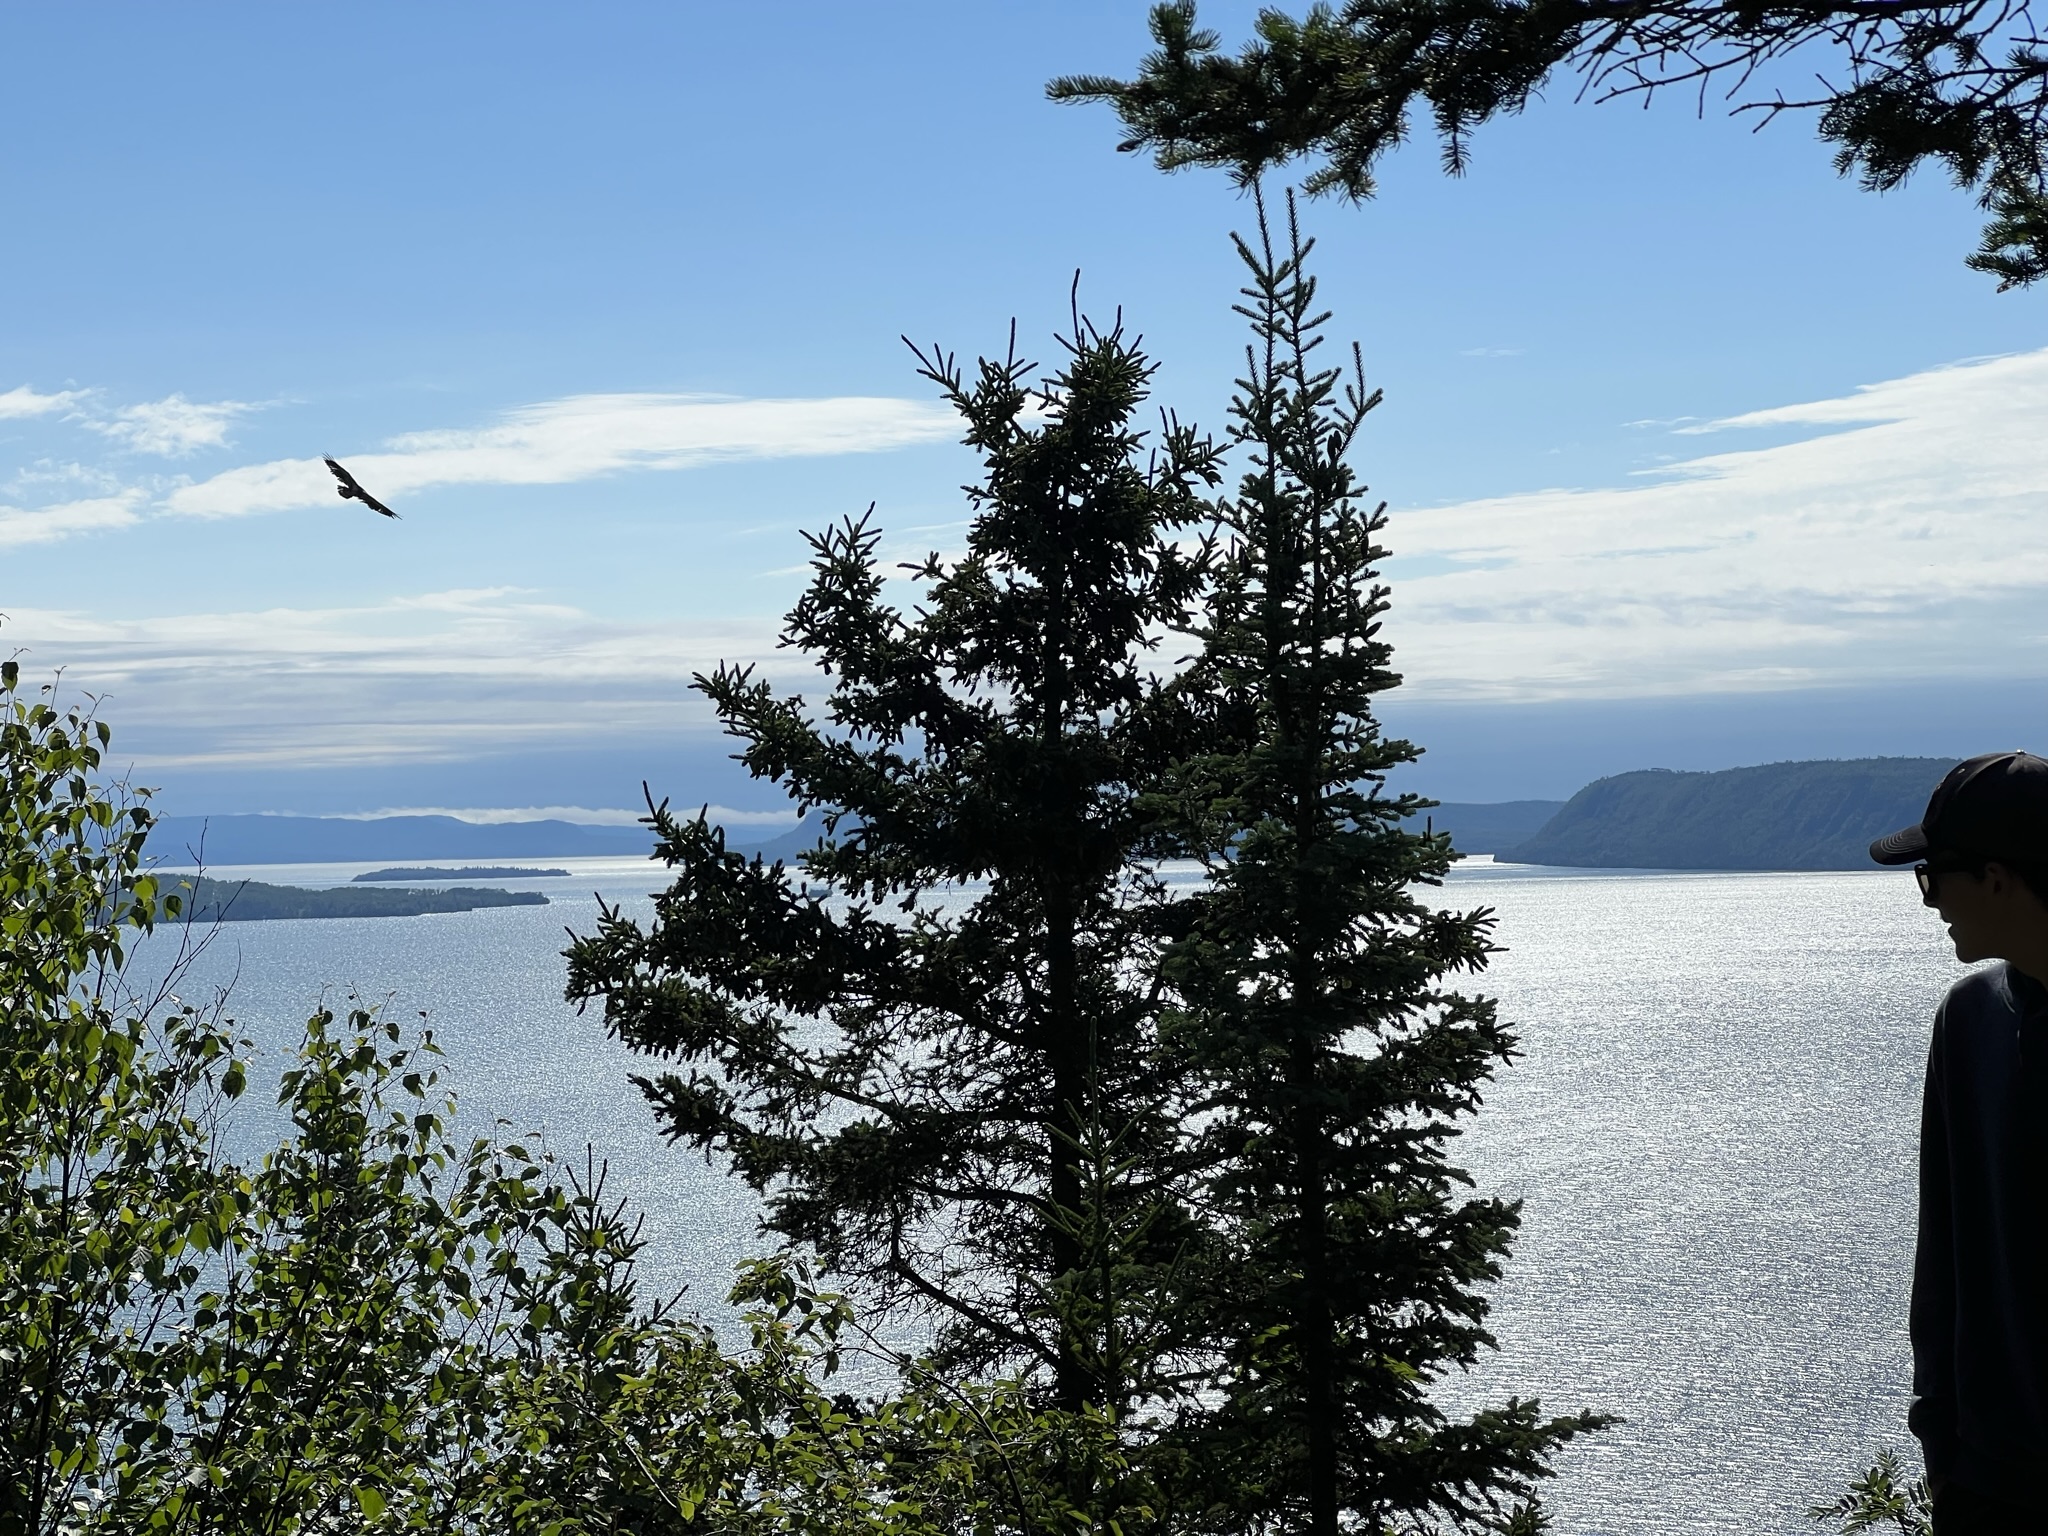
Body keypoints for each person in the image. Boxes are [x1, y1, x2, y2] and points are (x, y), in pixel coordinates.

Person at [1871, 750, 2048, 1533]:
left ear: (1999, 877)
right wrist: (1942, 1444)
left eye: (1933, 876)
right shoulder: (1970, 1018)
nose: (1929, 901)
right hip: (1991, 1485)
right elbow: (1941, 1244)